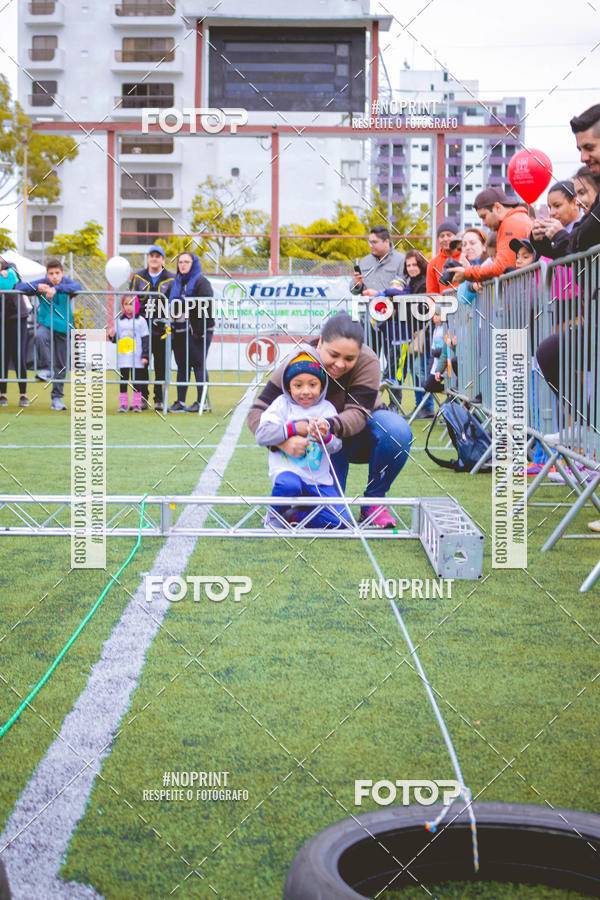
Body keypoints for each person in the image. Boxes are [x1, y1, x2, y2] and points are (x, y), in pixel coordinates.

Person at [247, 312, 413, 528]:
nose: (340, 364)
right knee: (335, 517)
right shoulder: (300, 361)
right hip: (322, 445)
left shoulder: (368, 360)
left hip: (353, 434)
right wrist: (282, 441)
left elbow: (357, 415)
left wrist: (326, 426)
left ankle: (374, 501)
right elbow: (256, 413)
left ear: (359, 352)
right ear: (320, 343)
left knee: (397, 430)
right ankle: (294, 509)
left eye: (349, 358)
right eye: (333, 355)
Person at [254, 347, 348, 528]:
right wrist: (295, 427)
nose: (306, 391)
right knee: (288, 484)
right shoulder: (281, 405)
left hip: (318, 480)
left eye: (313, 385)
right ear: (289, 386)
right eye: (298, 385)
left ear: (321, 385)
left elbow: (336, 446)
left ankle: (294, 515)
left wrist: (325, 437)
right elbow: (262, 434)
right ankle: (274, 514)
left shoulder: (327, 409)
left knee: (340, 521)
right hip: (289, 473)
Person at [14, 260, 82, 411]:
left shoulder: (66, 283)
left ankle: (56, 398)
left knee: (62, 365)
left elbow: (78, 287)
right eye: (51, 274)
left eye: (57, 273)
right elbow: (19, 287)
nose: (54, 276)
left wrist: (57, 289)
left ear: (62, 273)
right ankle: (46, 368)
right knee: (39, 336)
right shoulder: (42, 283)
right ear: (47, 274)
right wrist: (37, 287)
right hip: (46, 323)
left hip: (64, 328)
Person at [449, 188, 531, 286]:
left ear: (498, 207)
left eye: (484, 217)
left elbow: (502, 267)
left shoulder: (511, 222)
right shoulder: (515, 219)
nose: (484, 223)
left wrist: (468, 272)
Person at [166, 251, 214, 413]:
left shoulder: (202, 282)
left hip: (198, 331)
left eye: (187, 262)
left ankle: (202, 402)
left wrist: (199, 331)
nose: (183, 265)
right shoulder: (176, 283)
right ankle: (180, 401)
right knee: (182, 366)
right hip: (179, 331)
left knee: (198, 364)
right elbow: (167, 304)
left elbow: (206, 307)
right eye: (180, 262)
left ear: (193, 264)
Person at [130, 244, 174, 411]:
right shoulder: (137, 277)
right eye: (151, 256)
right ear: (148, 258)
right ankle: (140, 399)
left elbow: (174, 302)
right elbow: (130, 300)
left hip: (162, 329)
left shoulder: (171, 278)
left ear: (163, 260)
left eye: (158, 256)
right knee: (140, 364)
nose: (154, 258)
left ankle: (159, 400)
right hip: (141, 328)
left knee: (161, 365)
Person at [108, 294, 149, 413]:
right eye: (126, 304)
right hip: (124, 356)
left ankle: (137, 404)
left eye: (131, 304)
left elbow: (145, 338)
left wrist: (145, 355)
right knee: (123, 380)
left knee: (137, 381)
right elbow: (116, 338)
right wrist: (111, 336)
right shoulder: (120, 321)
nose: (128, 307)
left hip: (137, 356)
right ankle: (123, 404)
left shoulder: (141, 321)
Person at [0, 259, 29, 408]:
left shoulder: (10, 268)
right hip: (1, 319)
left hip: (18, 317)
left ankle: (23, 395)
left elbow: (13, 280)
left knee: (19, 355)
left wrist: (6, 270)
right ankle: (2, 395)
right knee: (2, 355)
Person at [530, 181, 581, 260]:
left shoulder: (586, 229)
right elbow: (553, 254)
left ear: (574, 203)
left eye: (557, 206)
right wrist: (539, 240)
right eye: (550, 207)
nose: (552, 213)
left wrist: (559, 235)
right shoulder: (553, 233)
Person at [349, 225, 406, 295]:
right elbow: (353, 292)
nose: (371, 245)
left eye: (374, 242)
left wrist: (379, 294)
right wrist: (357, 285)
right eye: (370, 242)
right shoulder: (364, 261)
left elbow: (404, 290)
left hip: (390, 305)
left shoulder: (401, 260)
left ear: (386, 242)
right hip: (367, 305)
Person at [425, 220, 461, 295]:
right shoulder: (433, 263)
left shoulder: (465, 257)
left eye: (449, 235)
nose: (445, 239)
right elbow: (431, 291)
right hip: (445, 305)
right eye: (442, 236)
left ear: (456, 237)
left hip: (467, 304)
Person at [456, 228, 490, 305]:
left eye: (472, 243)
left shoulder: (490, 262)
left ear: (484, 246)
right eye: (464, 245)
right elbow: (462, 298)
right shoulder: (469, 266)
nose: (467, 247)